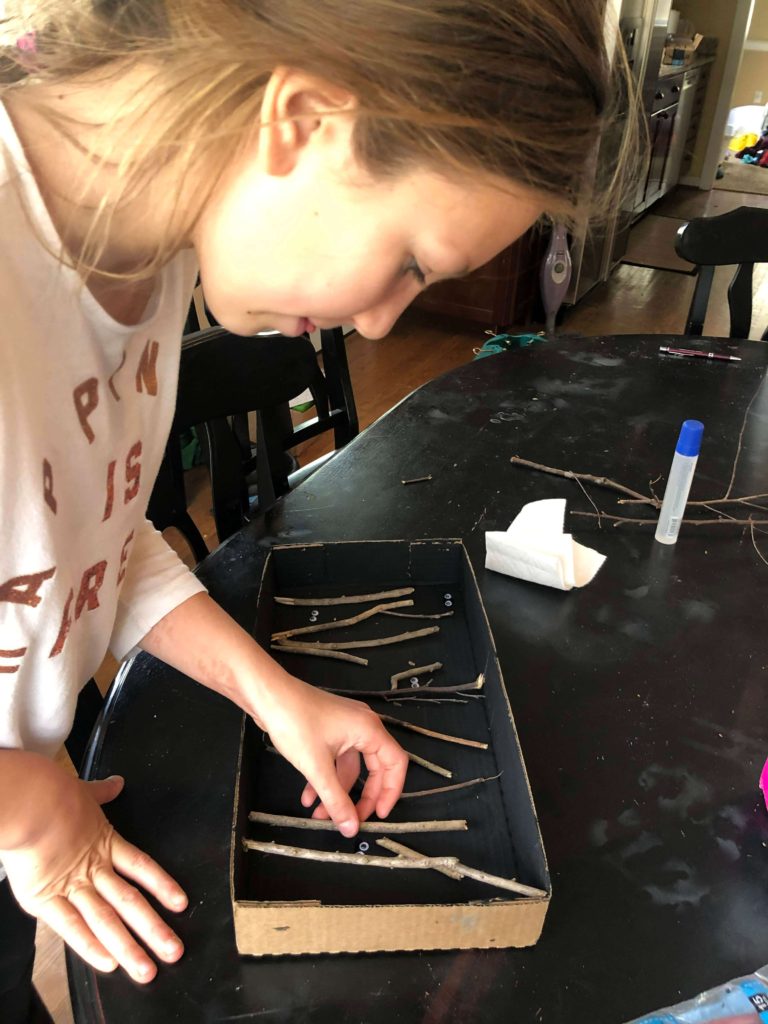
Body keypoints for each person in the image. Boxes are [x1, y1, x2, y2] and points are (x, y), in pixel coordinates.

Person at [0, 0, 640, 1019]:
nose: (384, 319)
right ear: (300, 118)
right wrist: (26, 807)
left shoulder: (154, 241)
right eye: (413, 262)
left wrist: (273, 692)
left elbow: (86, 536)